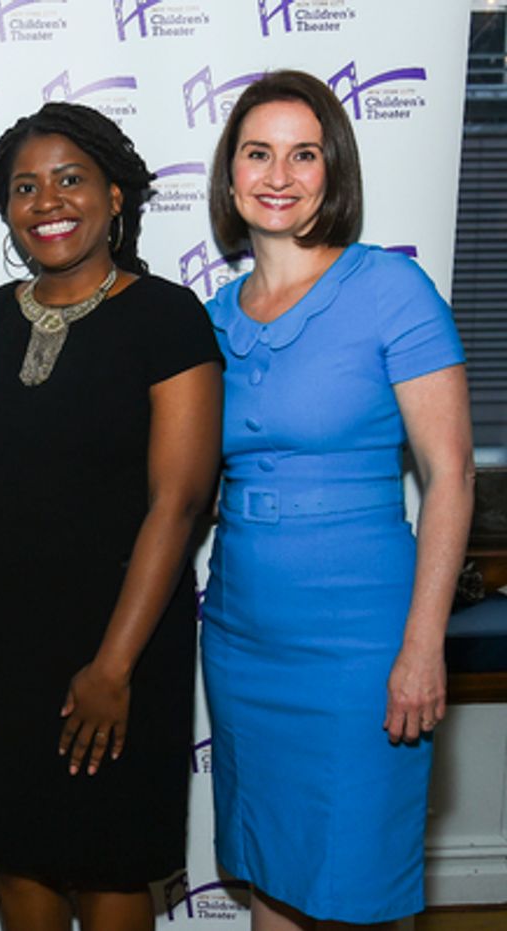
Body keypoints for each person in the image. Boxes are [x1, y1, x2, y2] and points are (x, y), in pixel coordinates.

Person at [202, 70, 473, 929]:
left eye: (303, 154)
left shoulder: (392, 290)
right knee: (273, 874)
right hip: (243, 636)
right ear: (231, 173)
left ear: (334, 170)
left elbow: (452, 476)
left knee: (356, 886)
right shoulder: (212, 316)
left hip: (365, 638)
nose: (279, 175)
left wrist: (423, 645)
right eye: (258, 153)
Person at [0, 102, 223, 931]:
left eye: (69, 179)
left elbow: (176, 506)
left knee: (112, 859)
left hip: (124, 637)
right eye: (24, 187)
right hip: (3, 636)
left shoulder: (168, 317)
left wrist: (112, 667)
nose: (47, 201)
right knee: (23, 854)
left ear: (114, 194)